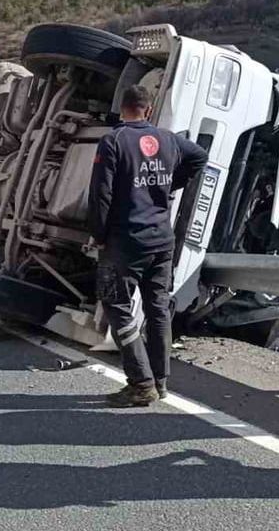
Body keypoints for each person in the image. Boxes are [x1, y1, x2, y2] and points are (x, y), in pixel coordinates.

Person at [88, 84, 209, 408]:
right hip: (161, 238)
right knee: (157, 309)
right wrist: (171, 184)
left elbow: (102, 194)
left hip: (127, 240)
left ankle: (141, 383)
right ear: (149, 110)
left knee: (116, 303)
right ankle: (161, 381)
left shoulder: (113, 141)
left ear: (121, 108)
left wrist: (98, 235)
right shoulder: (168, 140)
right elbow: (199, 157)